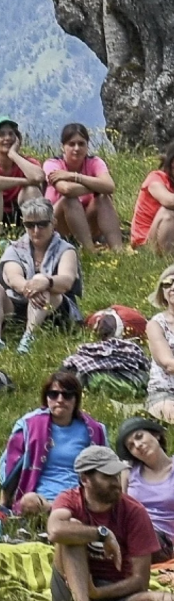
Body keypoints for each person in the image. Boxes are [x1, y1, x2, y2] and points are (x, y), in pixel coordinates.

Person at [47, 445, 174, 601]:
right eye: (107, 477)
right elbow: (55, 531)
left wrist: (98, 592)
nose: (116, 483)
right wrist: (101, 534)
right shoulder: (69, 500)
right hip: (69, 589)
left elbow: (140, 581)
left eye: (116, 475)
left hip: (114, 593)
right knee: (71, 527)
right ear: (85, 480)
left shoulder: (134, 512)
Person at [0, 370, 107, 516]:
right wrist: (4, 503)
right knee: (29, 501)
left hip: (79, 497)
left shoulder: (93, 430)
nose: (60, 400)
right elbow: (10, 466)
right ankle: (62, 514)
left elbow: (106, 467)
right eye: (53, 394)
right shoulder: (28, 425)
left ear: (76, 400)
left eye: (67, 395)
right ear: (46, 398)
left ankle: (63, 515)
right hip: (41, 498)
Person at [0, 197, 81, 354]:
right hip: (19, 302)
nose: (36, 230)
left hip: (55, 308)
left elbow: (67, 281)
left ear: (53, 222)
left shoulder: (66, 250)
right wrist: (32, 288)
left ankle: (29, 336)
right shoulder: (14, 248)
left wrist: (44, 282)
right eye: (30, 225)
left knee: (41, 280)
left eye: (42, 224)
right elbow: (13, 278)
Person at [43, 123, 122, 253]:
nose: (76, 148)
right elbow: (66, 189)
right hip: (57, 225)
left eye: (81, 144)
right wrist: (97, 186)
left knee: (103, 198)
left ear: (87, 146)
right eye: (71, 144)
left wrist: (73, 176)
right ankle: (89, 251)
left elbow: (110, 186)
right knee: (70, 200)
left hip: (87, 222)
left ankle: (118, 250)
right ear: (63, 147)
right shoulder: (52, 164)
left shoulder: (95, 162)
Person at [115, 417, 174, 560]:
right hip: (131, 531)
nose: (138, 445)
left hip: (162, 540)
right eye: (131, 446)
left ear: (156, 435)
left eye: (139, 437)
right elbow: (121, 509)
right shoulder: (128, 472)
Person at [130, 140, 174, 253]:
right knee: (168, 211)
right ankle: (165, 259)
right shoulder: (156, 178)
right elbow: (168, 201)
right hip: (144, 244)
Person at [146, 264, 174, 423]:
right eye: (167, 283)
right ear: (162, 292)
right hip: (165, 393)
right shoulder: (156, 324)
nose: (172, 287)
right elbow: (168, 364)